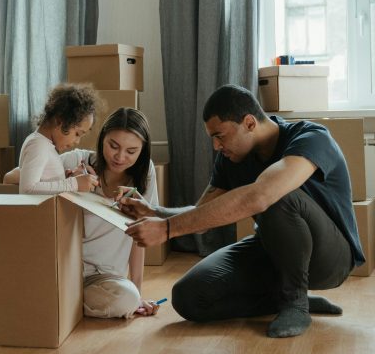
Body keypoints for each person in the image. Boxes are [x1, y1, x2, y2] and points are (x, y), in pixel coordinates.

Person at [122, 84, 363, 338]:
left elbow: (262, 196)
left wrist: (167, 230)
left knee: (275, 195)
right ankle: (284, 298)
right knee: (188, 297)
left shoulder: (311, 137)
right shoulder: (231, 158)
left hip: (331, 259)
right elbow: (202, 215)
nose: (216, 146)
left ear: (249, 123)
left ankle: (296, 303)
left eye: (220, 136)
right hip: (273, 250)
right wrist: (155, 213)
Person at [8, 107, 162, 318]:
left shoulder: (145, 175)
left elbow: (140, 236)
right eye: (113, 146)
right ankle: (60, 300)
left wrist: (138, 293)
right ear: (102, 139)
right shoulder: (77, 161)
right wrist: (68, 180)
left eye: (131, 151)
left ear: (142, 151)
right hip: (64, 269)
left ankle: (58, 302)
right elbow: (11, 178)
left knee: (127, 299)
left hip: (105, 278)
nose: (119, 157)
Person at [17, 83, 100, 194]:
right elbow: (27, 189)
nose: (77, 141)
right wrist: (74, 183)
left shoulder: (45, 145)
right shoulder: (38, 145)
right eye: (77, 134)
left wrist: (64, 178)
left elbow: (44, 183)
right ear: (60, 121)